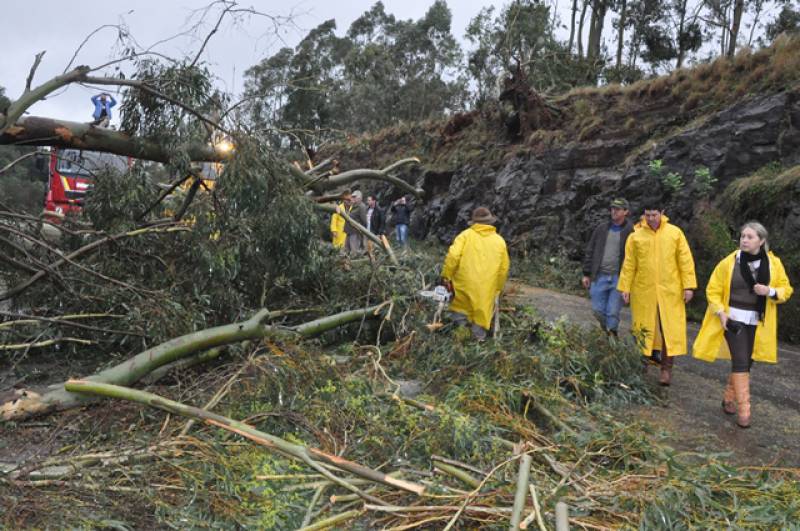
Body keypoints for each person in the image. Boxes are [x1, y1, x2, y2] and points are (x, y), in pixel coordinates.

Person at [692, 222, 793, 428]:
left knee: (747, 361)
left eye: (750, 237)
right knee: (740, 360)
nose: (744, 240)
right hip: (732, 318)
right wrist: (720, 312)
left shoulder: (773, 264)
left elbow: (786, 289)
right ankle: (745, 410)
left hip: (758, 320)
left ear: (761, 241)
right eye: (743, 236)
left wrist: (770, 292)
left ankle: (729, 397)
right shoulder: (730, 262)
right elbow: (712, 290)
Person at [617, 204, 697, 385]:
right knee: (642, 328)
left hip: (670, 291)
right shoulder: (635, 236)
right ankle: (641, 365)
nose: (651, 218)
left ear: (662, 213)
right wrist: (625, 288)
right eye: (647, 215)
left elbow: (685, 260)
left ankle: (666, 369)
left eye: (654, 215)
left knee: (669, 328)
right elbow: (629, 264)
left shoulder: (675, 233)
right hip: (644, 291)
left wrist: (688, 286)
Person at [441, 207, 510, 340]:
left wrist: (446, 276)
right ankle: (478, 341)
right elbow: (503, 269)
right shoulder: (499, 241)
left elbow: (453, 257)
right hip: (486, 288)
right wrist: (497, 288)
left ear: (474, 222)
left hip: (463, 284)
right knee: (480, 316)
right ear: (490, 222)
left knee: (460, 312)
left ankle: (460, 337)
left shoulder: (465, 236)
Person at [581, 198, 634, 336]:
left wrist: (630, 283)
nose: (614, 211)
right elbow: (590, 250)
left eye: (618, 209)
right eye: (612, 208)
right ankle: (607, 333)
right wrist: (586, 273)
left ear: (626, 211)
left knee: (612, 311)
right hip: (599, 276)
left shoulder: (632, 231)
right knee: (597, 311)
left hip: (619, 278)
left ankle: (612, 336)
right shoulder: (601, 229)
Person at [343, 190, 367, 256]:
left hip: (355, 231)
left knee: (354, 250)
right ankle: (346, 263)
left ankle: (355, 263)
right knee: (346, 249)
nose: (352, 198)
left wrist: (363, 230)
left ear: (359, 198)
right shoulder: (353, 206)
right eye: (352, 197)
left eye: (354, 197)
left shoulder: (361, 206)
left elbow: (364, 220)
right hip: (349, 231)